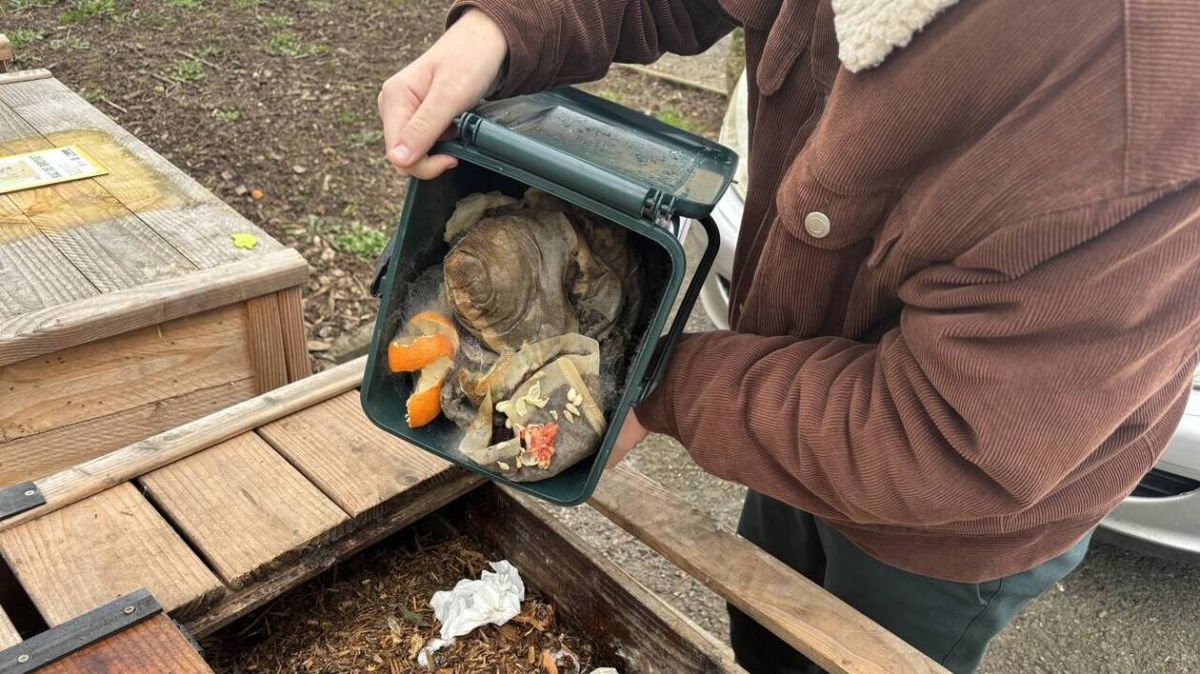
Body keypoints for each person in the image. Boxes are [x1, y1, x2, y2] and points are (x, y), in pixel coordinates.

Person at [377, 2, 1200, 672]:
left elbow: (950, 440)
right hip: (789, 397)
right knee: (766, 629)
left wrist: (659, 390)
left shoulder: (1138, 102)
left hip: (950, 521)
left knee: (857, 650)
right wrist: (504, 30)